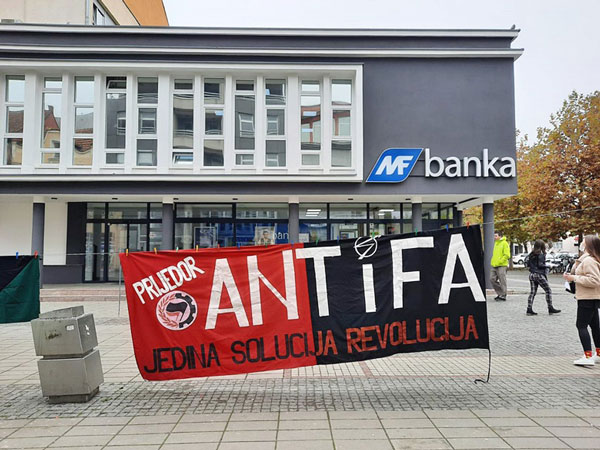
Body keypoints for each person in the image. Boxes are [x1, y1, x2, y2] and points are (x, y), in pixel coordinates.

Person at [563, 235, 600, 366]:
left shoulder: (589, 261)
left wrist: (574, 278)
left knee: (581, 325)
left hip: (587, 297)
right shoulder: (590, 259)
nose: (581, 244)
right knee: (595, 326)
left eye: (583, 242)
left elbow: (594, 280)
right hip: (591, 297)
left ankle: (587, 355)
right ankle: (598, 353)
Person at [525, 239, 561, 315]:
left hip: (532, 274)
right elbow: (540, 265)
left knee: (532, 292)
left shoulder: (531, 254)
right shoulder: (541, 254)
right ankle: (550, 308)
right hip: (539, 275)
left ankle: (529, 309)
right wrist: (549, 266)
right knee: (548, 290)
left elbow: (528, 264)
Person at [490, 230, 510, 301]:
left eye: (496, 236)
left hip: (502, 265)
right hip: (494, 265)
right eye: (494, 236)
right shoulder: (496, 243)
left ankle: (503, 295)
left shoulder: (504, 243)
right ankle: (501, 293)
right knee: (492, 279)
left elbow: (507, 255)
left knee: (502, 280)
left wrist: (500, 261)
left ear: (500, 236)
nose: (494, 237)